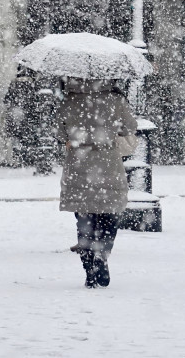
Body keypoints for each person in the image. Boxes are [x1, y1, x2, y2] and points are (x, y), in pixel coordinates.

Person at [56, 77, 138, 289]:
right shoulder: (116, 100)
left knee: (84, 219)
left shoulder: (69, 101)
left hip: (79, 164)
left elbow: (57, 131)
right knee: (109, 214)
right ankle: (102, 253)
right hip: (108, 163)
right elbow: (130, 127)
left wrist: (73, 135)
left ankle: (88, 267)